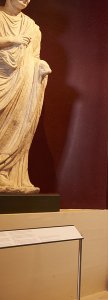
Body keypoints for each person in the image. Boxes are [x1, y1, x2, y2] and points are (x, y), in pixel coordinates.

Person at [0, 0, 51, 193]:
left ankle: (6, 172)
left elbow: (33, 58)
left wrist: (39, 67)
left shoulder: (32, 27)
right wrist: (12, 40)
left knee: (17, 123)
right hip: (2, 82)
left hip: (21, 86)